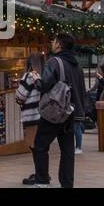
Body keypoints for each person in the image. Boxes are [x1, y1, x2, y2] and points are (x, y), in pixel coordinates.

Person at [29, 31, 86, 189]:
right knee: (67, 150)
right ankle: (67, 184)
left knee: (40, 145)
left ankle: (42, 181)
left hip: (54, 113)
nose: (52, 43)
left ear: (59, 45)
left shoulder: (54, 62)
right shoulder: (77, 66)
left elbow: (44, 85)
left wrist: (36, 80)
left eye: (54, 41)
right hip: (71, 113)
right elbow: (81, 91)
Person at [17, 52, 46, 186]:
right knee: (41, 146)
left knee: (34, 146)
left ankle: (40, 175)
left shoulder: (30, 76)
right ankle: (41, 174)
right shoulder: (46, 74)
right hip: (44, 116)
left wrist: (18, 98)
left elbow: (20, 95)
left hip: (32, 115)